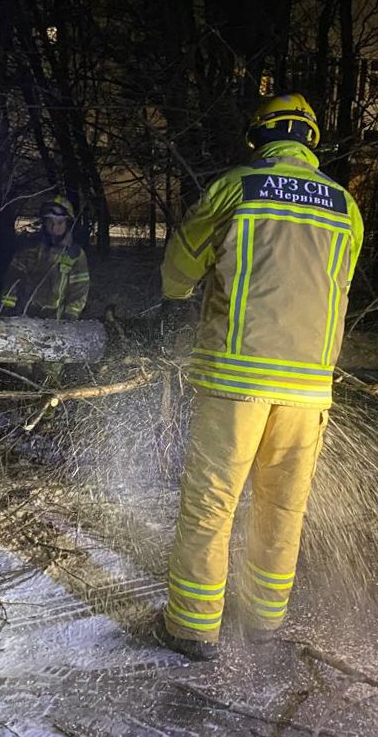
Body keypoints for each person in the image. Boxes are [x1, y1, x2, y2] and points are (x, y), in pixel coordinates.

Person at [155, 94, 363, 661]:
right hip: (309, 387)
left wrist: (176, 294)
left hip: (236, 379)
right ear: (310, 142)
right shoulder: (345, 205)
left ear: (258, 138)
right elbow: (337, 280)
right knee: (283, 507)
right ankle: (263, 620)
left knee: (212, 504)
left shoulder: (236, 187)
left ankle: (192, 628)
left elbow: (180, 268)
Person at [0, 195, 89, 321]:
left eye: (59, 222)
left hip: (56, 320)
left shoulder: (75, 254)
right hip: (24, 316)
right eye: (50, 222)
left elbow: (80, 290)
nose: (54, 227)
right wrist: (7, 308)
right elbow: (13, 279)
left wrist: (70, 315)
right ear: (44, 222)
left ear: (68, 223)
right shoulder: (29, 249)